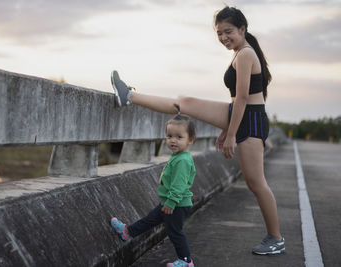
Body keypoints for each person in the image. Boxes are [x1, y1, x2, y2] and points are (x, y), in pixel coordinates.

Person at [110, 6, 284, 255]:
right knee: (185, 103)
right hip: (240, 114)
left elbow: (244, 97)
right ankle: (129, 96)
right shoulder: (239, 53)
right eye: (219, 33)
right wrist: (226, 127)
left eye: (229, 32)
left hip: (251, 121)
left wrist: (231, 133)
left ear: (242, 29)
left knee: (256, 183)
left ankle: (276, 238)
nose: (224, 37)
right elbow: (238, 99)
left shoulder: (245, 54)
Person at [111, 109, 196, 267]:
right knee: (150, 220)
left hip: (176, 204)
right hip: (170, 202)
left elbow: (179, 184)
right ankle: (126, 232)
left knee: (174, 232)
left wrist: (171, 201)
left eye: (179, 137)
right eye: (169, 136)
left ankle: (186, 261)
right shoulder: (178, 156)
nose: (173, 140)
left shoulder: (183, 160)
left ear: (190, 140)